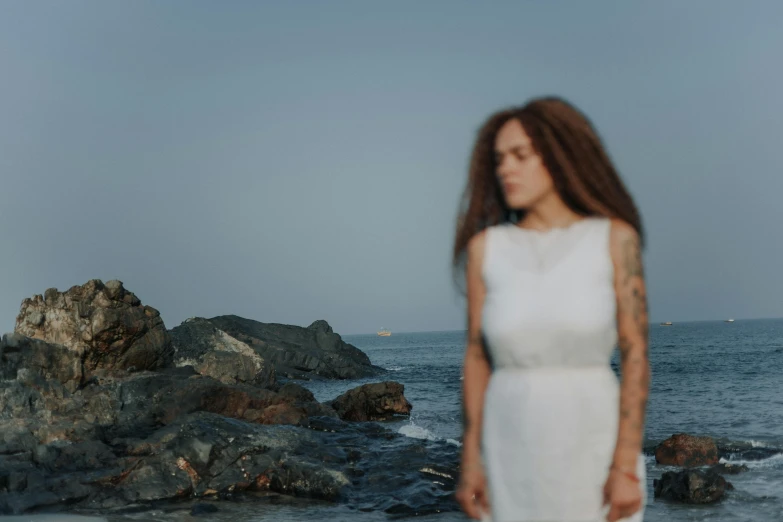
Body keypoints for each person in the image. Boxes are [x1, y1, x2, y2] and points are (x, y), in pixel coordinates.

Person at [452, 97, 650, 522]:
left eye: (520, 155)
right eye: (499, 158)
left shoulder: (615, 240)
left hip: (593, 440)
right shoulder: (486, 250)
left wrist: (625, 466)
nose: (505, 168)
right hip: (508, 444)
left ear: (560, 156)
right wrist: (471, 460)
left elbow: (635, 355)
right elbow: (476, 355)